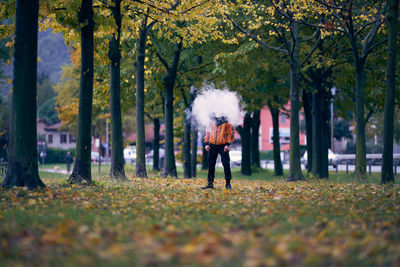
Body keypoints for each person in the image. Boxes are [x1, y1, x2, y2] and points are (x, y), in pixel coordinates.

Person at [202, 115, 234, 189]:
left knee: (226, 164)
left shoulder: (227, 122)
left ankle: (228, 183)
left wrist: (227, 144)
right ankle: (210, 183)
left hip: (223, 146)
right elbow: (207, 133)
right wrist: (206, 143)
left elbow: (230, 134)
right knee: (211, 164)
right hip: (212, 145)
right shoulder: (211, 121)